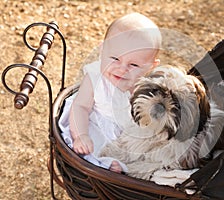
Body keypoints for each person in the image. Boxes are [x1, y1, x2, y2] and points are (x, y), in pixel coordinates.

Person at [58, 12, 161, 172]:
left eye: (134, 65)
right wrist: (80, 135)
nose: (122, 69)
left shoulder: (146, 87)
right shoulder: (95, 78)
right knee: (90, 147)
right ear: (102, 50)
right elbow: (81, 107)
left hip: (126, 135)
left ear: (150, 66)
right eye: (114, 59)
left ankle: (123, 168)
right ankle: (102, 163)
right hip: (96, 126)